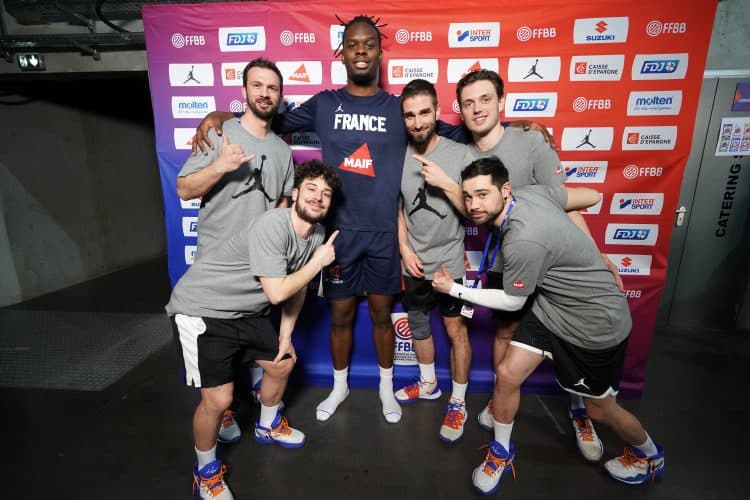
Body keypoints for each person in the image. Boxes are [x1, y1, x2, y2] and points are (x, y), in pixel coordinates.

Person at [191, 16, 552, 425]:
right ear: (341, 53)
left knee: (382, 316)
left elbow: (458, 131)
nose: (361, 50)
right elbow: (266, 118)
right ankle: (340, 386)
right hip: (339, 236)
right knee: (341, 316)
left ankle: (385, 387)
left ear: (380, 53)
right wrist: (220, 115)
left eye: (368, 44)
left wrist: (520, 127)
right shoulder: (325, 103)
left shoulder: (398, 109)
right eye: (352, 44)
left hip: (384, 236)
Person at [432, 156, 665, 495]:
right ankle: (501, 452)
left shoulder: (523, 239)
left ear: (505, 189)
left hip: (593, 323)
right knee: (509, 374)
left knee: (601, 410)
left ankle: (651, 455)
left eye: (483, 194)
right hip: (552, 308)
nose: (473, 205)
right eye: (468, 196)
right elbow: (592, 196)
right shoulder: (533, 194)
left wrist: (453, 289)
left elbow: (512, 302)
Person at [452, 69, 621, 462]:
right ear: (460, 111)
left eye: (485, 100)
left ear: (501, 103)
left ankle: (580, 412)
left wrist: (598, 258)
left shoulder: (530, 140)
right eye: (468, 103)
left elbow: (570, 205)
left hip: (554, 263)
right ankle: (499, 400)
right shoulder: (461, 146)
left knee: (570, 337)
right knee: (506, 332)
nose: (477, 109)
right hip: (506, 255)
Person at [166, 160, 341, 499]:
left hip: (245, 313)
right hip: (203, 309)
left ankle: (268, 424)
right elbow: (277, 292)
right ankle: (205, 472)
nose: (318, 197)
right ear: (294, 194)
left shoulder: (317, 234)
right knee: (218, 400)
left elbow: (298, 289)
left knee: (283, 361)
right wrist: (319, 263)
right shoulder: (273, 225)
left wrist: (286, 334)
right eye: (311, 189)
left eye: (326, 193)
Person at [176, 57, 295, 443]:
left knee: (280, 362)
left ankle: (266, 422)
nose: (265, 93)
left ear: (279, 96)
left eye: (272, 88)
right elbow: (184, 188)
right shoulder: (219, 133)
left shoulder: (282, 151)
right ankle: (208, 462)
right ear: (244, 91)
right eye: (257, 86)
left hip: (254, 285)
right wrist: (220, 166)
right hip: (213, 283)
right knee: (220, 392)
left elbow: (280, 209)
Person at [392, 79, 475, 443]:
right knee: (419, 325)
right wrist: (404, 249)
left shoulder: (460, 155)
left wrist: (446, 183)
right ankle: (428, 384)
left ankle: (458, 401)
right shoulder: (397, 156)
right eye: (409, 115)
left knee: (456, 331)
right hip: (414, 264)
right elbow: (398, 209)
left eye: (424, 112)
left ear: (438, 112)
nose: (417, 121)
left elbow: (475, 213)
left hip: (450, 266)